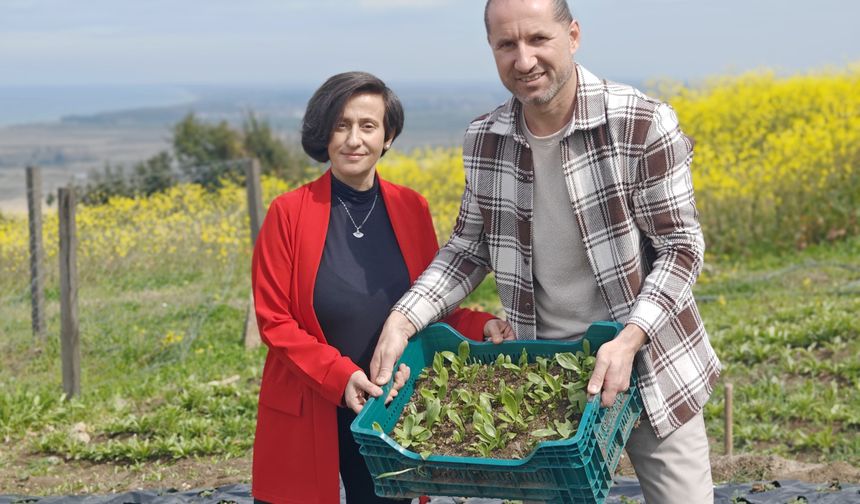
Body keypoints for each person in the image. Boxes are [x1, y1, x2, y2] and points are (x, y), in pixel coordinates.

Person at [370, 1, 721, 502]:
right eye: (506, 45)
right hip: (545, 373)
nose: (524, 59)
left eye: (538, 40)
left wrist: (628, 340)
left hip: (649, 360)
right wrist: (403, 320)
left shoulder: (641, 123)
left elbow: (680, 248)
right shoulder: (485, 139)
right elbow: (469, 248)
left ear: (573, 36)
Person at [250, 71, 512, 504]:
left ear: (387, 137)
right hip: (309, 400)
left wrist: (482, 325)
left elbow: (428, 304)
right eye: (341, 125)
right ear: (325, 134)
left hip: (386, 404)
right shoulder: (288, 213)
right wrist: (341, 376)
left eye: (368, 126)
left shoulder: (411, 207)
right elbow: (274, 322)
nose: (354, 139)